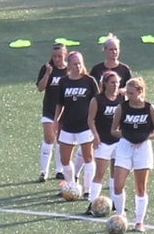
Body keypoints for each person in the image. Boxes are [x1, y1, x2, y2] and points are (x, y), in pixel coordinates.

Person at [51, 49, 102, 206]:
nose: (78, 66)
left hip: (85, 126)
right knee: (65, 159)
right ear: (69, 65)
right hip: (68, 125)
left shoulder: (89, 81)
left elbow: (97, 101)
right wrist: (56, 120)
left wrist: (95, 123)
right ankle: (71, 185)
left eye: (80, 63)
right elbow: (60, 104)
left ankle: (87, 190)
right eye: (75, 63)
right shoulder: (64, 82)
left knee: (88, 157)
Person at [115, 77, 154, 229]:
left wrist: (145, 137)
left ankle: (139, 221)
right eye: (127, 93)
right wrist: (128, 136)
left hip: (143, 148)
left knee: (140, 187)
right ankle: (120, 216)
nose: (128, 96)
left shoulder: (150, 108)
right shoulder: (122, 108)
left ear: (140, 91)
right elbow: (113, 130)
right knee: (118, 185)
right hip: (125, 146)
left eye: (131, 93)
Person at [93, 67, 127, 217]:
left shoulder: (121, 99)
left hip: (118, 141)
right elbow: (90, 119)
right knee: (99, 173)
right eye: (112, 82)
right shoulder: (98, 99)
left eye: (118, 83)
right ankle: (92, 204)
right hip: (103, 141)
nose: (115, 85)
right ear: (105, 83)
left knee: (116, 174)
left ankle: (116, 204)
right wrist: (95, 136)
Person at [36, 43, 70, 181]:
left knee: (61, 140)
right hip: (49, 110)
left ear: (65, 55)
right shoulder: (47, 68)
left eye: (60, 56)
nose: (57, 59)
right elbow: (40, 88)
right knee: (49, 138)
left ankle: (59, 170)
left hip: (66, 111)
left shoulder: (69, 69)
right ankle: (44, 171)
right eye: (55, 56)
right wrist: (48, 74)